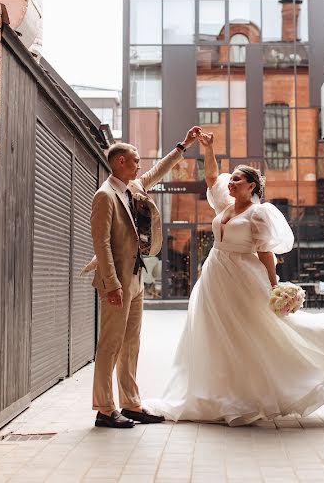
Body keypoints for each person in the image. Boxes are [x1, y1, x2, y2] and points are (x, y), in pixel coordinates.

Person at [149, 132, 324, 425]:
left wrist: (275, 287)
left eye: (237, 179)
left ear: (251, 185)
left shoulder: (258, 213)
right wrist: (209, 148)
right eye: (232, 179)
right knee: (212, 332)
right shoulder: (224, 205)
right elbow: (211, 178)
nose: (231, 182)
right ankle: (216, 393)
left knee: (252, 332)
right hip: (215, 275)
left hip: (242, 276)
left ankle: (260, 392)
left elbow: (265, 254)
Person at [88, 126, 202, 428]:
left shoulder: (132, 188)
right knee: (110, 344)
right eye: (135, 160)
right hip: (117, 283)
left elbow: (158, 171)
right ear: (119, 162)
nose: (140, 165)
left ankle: (131, 403)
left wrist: (184, 145)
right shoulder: (105, 196)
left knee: (131, 344)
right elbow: (101, 244)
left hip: (136, 280)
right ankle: (104, 408)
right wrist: (112, 284)